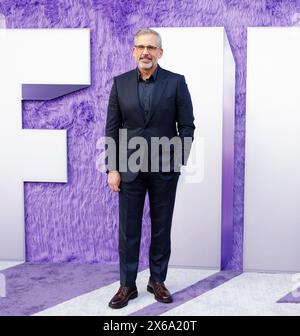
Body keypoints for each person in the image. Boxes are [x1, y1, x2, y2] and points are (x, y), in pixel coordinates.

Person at [105, 28, 195, 309]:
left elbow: (187, 125)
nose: (146, 52)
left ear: (160, 52)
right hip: (129, 168)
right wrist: (112, 167)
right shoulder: (119, 84)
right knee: (128, 229)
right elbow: (112, 128)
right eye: (141, 47)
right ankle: (127, 285)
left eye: (151, 48)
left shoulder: (176, 82)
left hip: (164, 169)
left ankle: (157, 281)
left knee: (161, 227)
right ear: (133, 51)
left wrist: (176, 161)